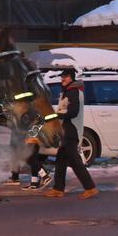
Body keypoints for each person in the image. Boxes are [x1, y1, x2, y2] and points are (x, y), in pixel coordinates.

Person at [45, 68, 98, 200]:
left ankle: (90, 188)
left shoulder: (73, 92)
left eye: (66, 77)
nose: (63, 79)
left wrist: (57, 115)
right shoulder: (68, 91)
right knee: (61, 160)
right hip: (66, 130)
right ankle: (58, 189)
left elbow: (73, 111)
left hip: (71, 129)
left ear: (72, 78)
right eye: (62, 76)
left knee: (75, 161)